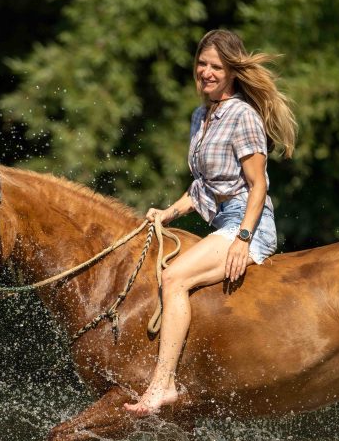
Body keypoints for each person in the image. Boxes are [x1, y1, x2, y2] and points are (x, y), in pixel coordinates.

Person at [124, 29, 297, 416]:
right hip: (221, 220)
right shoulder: (200, 116)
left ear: (233, 71)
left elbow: (257, 186)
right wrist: (168, 212)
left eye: (216, 66)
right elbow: (205, 186)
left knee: (174, 277)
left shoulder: (243, 116)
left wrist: (243, 239)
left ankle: (163, 384)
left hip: (247, 224)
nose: (206, 72)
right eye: (202, 63)